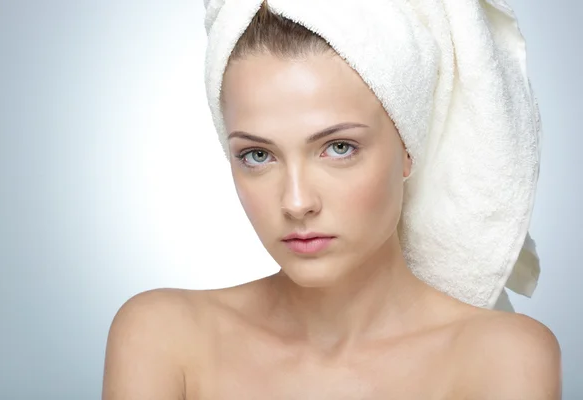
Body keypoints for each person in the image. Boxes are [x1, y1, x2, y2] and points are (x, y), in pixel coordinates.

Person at [102, 1, 561, 399]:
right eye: (258, 155)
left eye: (338, 147)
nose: (297, 202)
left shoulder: (502, 358)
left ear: (407, 149)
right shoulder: (164, 338)